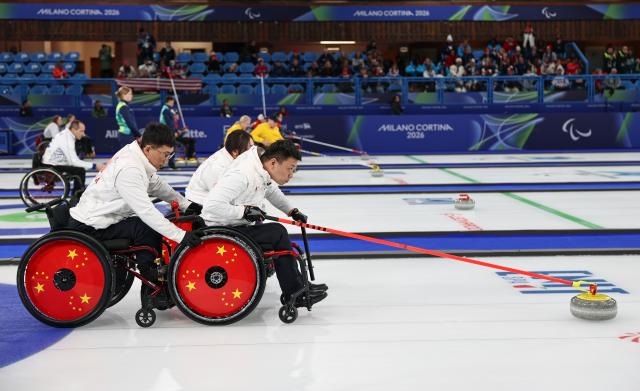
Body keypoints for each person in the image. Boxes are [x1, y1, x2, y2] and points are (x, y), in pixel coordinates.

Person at [68, 123, 203, 295]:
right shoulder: (130, 169)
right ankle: (152, 279)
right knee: (146, 227)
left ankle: (154, 276)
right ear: (148, 149)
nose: (166, 160)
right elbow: (146, 211)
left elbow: (156, 185)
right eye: (165, 155)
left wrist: (186, 204)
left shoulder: (136, 155)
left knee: (150, 224)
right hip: (91, 226)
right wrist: (181, 235)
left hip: (103, 216)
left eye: (170, 155)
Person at [201, 140, 328, 307]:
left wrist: (291, 211)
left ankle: (299, 285)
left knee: (276, 233)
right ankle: (293, 293)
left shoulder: (261, 169)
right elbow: (211, 206)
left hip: (237, 227)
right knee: (277, 232)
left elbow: (271, 190)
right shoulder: (243, 174)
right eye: (290, 169)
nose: (291, 175)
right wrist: (244, 211)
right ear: (274, 162)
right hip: (222, 231)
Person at [186, 130, 253, 205]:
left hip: (213, 201)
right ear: (235, 151)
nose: (253, 152)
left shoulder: (233, 155)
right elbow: (221, 197)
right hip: (199, 204)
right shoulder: (217, 166)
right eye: (250, 148)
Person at [42, 120, 104, 193]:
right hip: (52, 165)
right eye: (81, 131)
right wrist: (95, 166)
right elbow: (73, 161)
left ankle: (77, 193)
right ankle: (77, 195)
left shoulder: (68, 135)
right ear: (73, 130)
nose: (83, 134)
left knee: (79, 169)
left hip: (56, 162)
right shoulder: (66, 138)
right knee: (79, 170)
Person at [160, 96, 196, 168]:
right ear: (169, 101)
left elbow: (171, 123)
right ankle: (164, 164)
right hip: (166, 133)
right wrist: (174, 132)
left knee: (170, 148)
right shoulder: (166, 110)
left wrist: (177, 131)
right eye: (173, 101)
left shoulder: (168, 109)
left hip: (169, 132)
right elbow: (169, 123)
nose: (173, 103)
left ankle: (170, 163)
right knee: (168, 148)